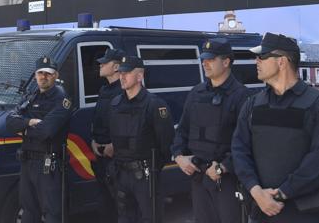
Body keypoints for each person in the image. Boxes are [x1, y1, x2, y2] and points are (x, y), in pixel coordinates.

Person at [232, 33, 319, 222]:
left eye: (262, 56)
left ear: (281, 61)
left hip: (305, 214)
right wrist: (256, 191)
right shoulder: (252, 104)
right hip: (261, 210)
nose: (256, 61)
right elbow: (239, 150)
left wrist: (280, 195)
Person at [171, 38, 249, 223]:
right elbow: (182, 131)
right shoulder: (196, 93)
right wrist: (179, 156)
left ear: (226, 61)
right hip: (199, 178)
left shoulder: (241, 96)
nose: (204, 63)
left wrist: (224, 167)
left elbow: (247, 142)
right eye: (203, 59)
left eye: (211, 59)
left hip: (227, 181)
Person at [6, 56, 74, 223]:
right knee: (29, 211)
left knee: (52, 214)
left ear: (56, 75)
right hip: (27, 162)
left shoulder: (62, 99)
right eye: (40, 73)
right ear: (35, 75)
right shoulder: (31, 96)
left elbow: (46, 130)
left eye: (48, 73)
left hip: (48, 166)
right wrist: (29, 122)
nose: (43, 76)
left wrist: (23, 130)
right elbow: (9, 121)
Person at [109, 55, 175, 223]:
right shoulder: (115, 103)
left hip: (145, 175)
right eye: (121, 72)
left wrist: (152, 169)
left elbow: (166, 143)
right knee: (124, 218)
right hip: (121, 173)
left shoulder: (154, 105)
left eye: (127, 73)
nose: (122, 76)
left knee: (150, 217)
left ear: (140, 76)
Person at [90, 48, 126, 223]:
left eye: (105, 62)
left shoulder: (125, 90)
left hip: (117, 158)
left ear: (117, 66)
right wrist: (94, 142)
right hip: (101, 156)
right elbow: (98, 119)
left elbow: (128, 126)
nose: (101, 64)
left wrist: (115, 146)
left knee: (122, 206)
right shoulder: (104, 90)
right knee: (104, 206)